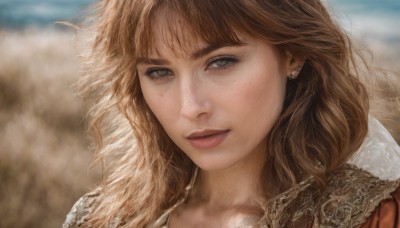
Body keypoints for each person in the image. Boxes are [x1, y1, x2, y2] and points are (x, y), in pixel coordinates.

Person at [63, 0, 400, 227]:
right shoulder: (100, 219)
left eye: (221, 62)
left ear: (293, 54)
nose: (191, 107)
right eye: (158, 72)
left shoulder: (374, 216)